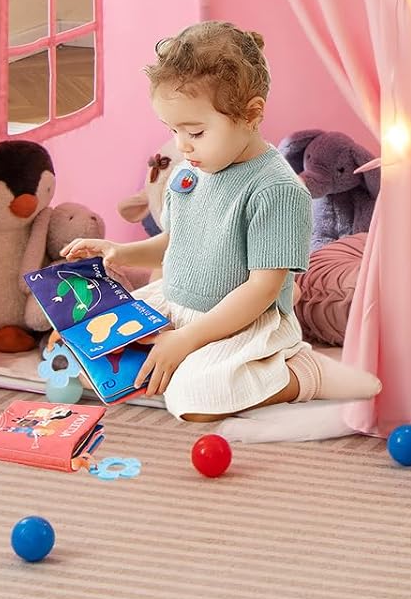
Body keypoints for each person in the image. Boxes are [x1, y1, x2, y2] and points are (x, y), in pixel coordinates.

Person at [62, 21, 381, 421]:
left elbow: (262, 290)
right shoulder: (189, 172)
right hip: (174, 305)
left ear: (250, 115)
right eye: (173, 130)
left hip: (240, 323)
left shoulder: (277, 191)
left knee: (195, 400)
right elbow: (174, 242)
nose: (181, 144)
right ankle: (180, 359)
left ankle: (298, 373)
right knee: (85, 352)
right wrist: (120, 252)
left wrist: (188, 340)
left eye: (194, 131)